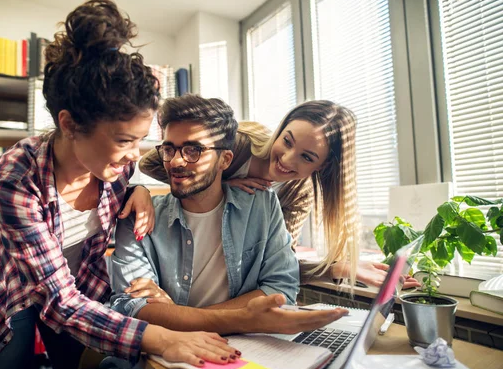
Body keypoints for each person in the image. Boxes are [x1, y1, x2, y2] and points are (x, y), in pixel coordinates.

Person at [0, 0, 237, 369]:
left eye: (140, 140)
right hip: (10, 295)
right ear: (69, 124)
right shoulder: (15, 177)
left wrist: (139, 189)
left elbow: (194, 164)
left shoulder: (117, 166)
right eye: (125, 140)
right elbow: (59, 300)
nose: (134, 156)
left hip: (79, 287)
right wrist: (163, 338)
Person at [110, 95, 348, 333]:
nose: (176, 161)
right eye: (169, 149)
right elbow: (133, 307)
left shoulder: (267, 204)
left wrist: (180, 317)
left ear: (225, 159)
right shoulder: (139, 216)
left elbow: (282, 279)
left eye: (194, 150)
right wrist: (139, 188)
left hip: (240, 349)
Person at [139, 101, 421, 290]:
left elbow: (280, 266)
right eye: (287, 141)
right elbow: (150, 162)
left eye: (306, 157)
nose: (286, 159)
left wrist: (339, 268)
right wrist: (221, 182)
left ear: (322, 167)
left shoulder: (299, 195)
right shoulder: (241, 144)